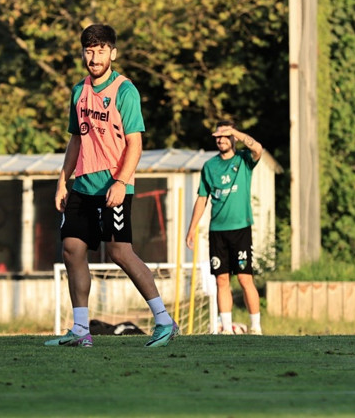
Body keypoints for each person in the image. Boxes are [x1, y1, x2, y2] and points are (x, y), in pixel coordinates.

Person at [45, 24, 178, 348]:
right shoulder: (78, 91)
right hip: (83, 185)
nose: (94, 57)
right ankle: (80, 329)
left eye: (101, 50)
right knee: (72, 249)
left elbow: (135, 144)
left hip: (113, 183)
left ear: (112, 53)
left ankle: (164, 320)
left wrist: (121, 182)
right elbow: (76, 140)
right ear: (82, 54)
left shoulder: (125, 90)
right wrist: (63, 181)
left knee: (120, 251)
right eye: (89, 51)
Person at [185, 120, 263, 335]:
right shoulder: (210, 166)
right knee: (221, 279)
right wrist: (192, 228)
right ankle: (226, 329)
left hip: (240, 229)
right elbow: (202, 198)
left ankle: (256, 327)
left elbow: (257, 148)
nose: (220, 140)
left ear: (233, 138)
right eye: (217, 136)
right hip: (217, 231)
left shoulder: (244, 160)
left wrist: (235, 132)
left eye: (224, 135)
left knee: (245, 278)